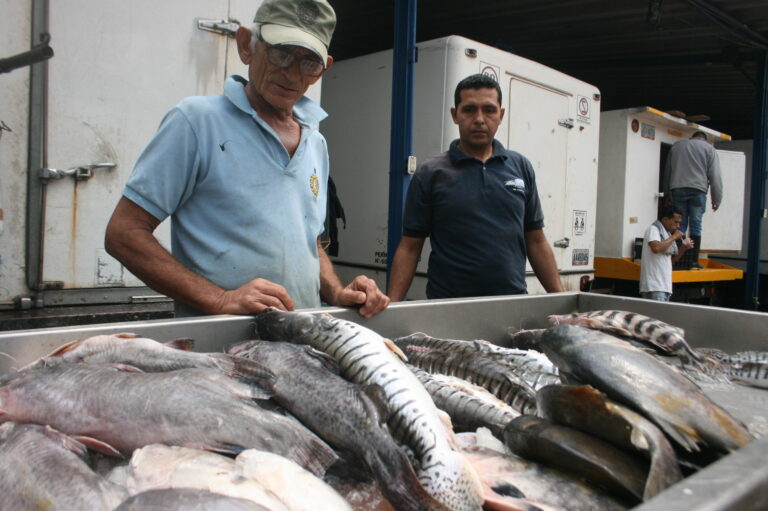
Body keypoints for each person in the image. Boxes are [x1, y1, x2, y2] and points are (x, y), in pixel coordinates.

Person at [105, 0, 389, 318]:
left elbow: (308, 239)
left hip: (302, 339)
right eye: (281, 53)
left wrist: (336, 290)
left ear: (324, 68)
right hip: (223, 351)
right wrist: (219, 299)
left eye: (309, 62)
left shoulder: (316, 143)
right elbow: (124, 233)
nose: (293, 74)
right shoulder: (196, 121)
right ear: (246, 46)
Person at [388, 73, 563, 301]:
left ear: (501, 115)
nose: (479, 119)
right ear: (455, 115)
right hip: (447, 306)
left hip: (511, 303)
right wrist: (391, 306)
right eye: (469, 110)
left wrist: (562, 300)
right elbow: (410, 247)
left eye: (489, 110)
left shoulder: (520, 167)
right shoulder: (431, 173)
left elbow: (536, 241)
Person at [663, 130, 723, 269]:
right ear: (704, 139)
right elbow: (715, 176)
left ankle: (678, 259)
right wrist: (716, 199)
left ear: (692, 137)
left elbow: (668, 171)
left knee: (679, 223)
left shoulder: (677, 146)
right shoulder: (709, 149)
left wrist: (667, 193)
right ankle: (693, 261)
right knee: (696, 224)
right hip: (698, 190)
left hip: (677, 187)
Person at [639, 205, 694, 301]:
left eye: (679, 223)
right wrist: (673, 237)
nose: (678, 226)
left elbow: (672, 260)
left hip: (665, 287)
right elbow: (656, 248)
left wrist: (683, 248)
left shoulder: (667, 234)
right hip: (654, 287)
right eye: (675, 222)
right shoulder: (653, 229)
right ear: (665, 219)